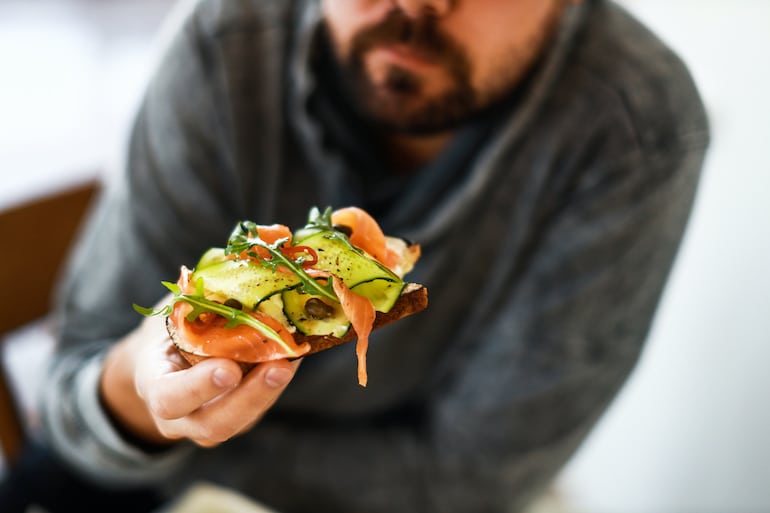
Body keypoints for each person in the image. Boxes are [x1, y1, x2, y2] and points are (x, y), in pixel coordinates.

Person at [25, 0, 709, 511]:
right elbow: (75, 391)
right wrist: (147, 393)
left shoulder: (636, 127)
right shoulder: (226, 44)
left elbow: (473, 476)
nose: (416, 6)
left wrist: (214, 464)